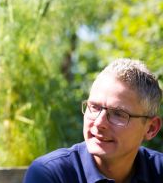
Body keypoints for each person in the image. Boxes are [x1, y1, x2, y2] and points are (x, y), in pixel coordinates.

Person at [23, 58, 163, 183]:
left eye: (118, 114)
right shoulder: (50, 175)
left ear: (151, 128)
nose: (99, 123)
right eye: (94, 107)